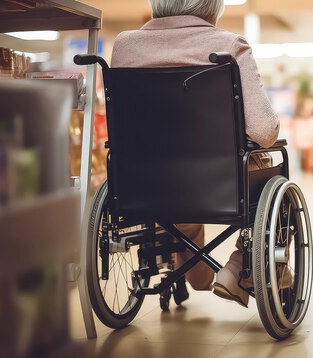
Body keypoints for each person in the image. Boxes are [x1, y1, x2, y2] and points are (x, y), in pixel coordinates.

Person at [111, 0, 283, 308]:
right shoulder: (229, 45)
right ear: (212, 6)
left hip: (142, 181)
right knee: (269, 162)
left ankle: (198, 274)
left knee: (178, 188)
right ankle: (239, 265)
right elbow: (263, 131)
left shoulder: (124, 46)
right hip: (217, 183)